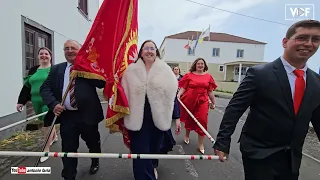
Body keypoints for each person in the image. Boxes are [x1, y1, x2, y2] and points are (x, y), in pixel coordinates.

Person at [213, 19, 320, 180]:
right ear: (285, 42)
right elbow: (235, 108)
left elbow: (317, 117)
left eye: (315, 39)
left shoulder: (316, 81)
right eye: (302, 38)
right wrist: (223, 140)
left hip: (292, 157)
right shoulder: (260, 74)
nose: (308, 43)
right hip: (259, 153)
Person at [40, 40, 104, 180]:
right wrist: (53, 104)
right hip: (67, 116)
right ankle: (69, 175)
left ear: (80, 50)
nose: (69, 51)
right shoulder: (57, 69)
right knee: (68, 148)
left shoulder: (88, 67)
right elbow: (45, 88)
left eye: (73, 48)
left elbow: (101, 83)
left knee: (93, 142)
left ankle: (95, 160)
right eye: (66, 48)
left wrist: (88, 69)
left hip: (88, 115)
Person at [121, 40, 178, 180]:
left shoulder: (165, 70)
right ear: (141, 52)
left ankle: (152, 166)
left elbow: (172, 95)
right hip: (136, 118)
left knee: (154, 148)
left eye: (152, 48)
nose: (149, 51)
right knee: (139, 151)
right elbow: (122, 94)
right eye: (146, 48)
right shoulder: (130, 70)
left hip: (157, 117)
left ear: (156, 52)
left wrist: (177, 118)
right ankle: (145, 176)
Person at [16, 47, 58, 163]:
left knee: (46, 123)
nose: (43, 55)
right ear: (38, 56)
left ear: (50, 56)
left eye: (46, 54)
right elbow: (26, 87)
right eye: (41, 54)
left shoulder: (54, 69)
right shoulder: (33, 70)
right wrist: (21, 101)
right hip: (35, 101)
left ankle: (46, 149)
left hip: (49, 101)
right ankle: (54, 136)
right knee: (45, 121)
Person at [177, 58, 217, 154]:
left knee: (202, 121)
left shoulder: (208, 76)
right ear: (195, 65)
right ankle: (187, 135)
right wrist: (178, 95)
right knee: (189, 119)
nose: (200, 65)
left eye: (202, 64)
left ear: (204, 65)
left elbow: (210, 91)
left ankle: (200, 144)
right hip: (189, 100)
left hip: (202, 101)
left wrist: (213, 102)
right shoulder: (189, 75)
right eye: (198, 63)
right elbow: (184, 87)